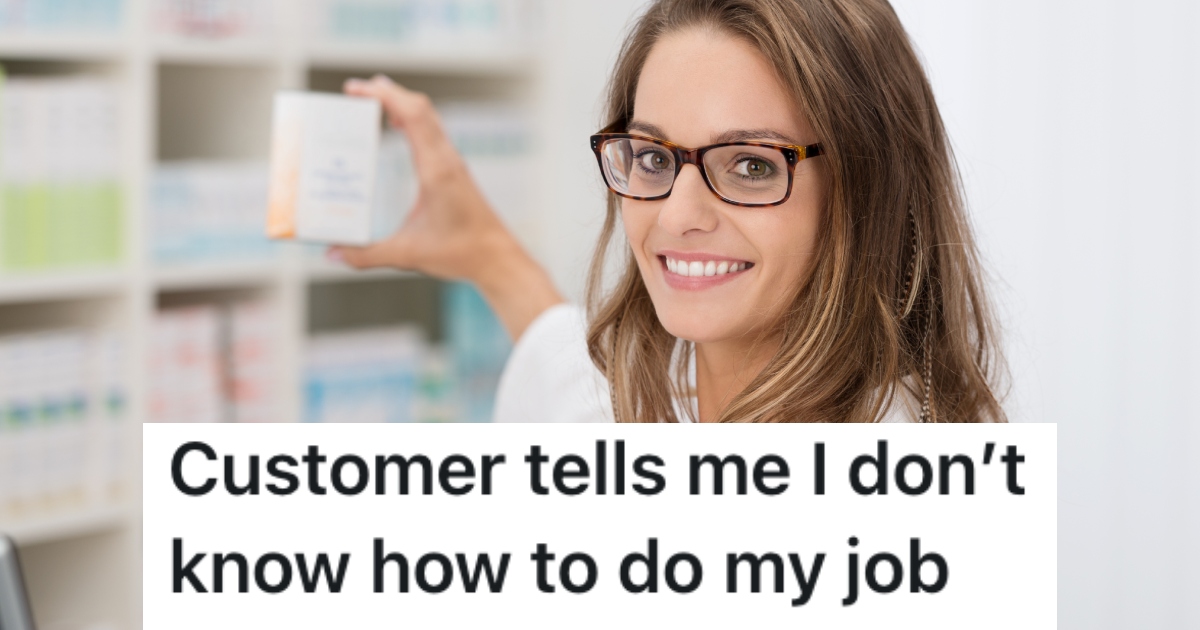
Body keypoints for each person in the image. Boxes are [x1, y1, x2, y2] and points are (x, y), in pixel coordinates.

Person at [329, 0, 1007, 424]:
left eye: (751, 165)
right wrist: (486, 253)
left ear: (868, 187)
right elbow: (571, 380)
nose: (679, 215)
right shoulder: (653, 392)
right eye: (653, 157)